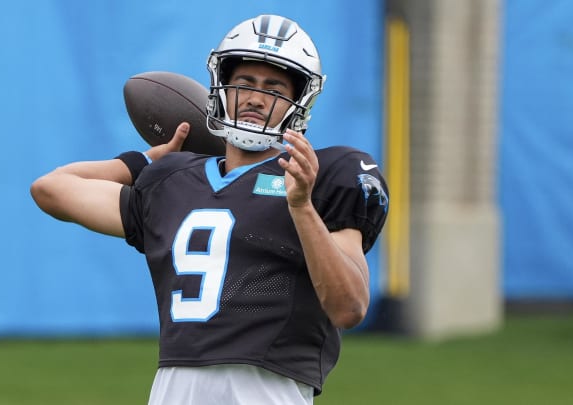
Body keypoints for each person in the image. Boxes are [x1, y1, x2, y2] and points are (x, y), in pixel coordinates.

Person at [31, 14, 388, 405]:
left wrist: (302, 207)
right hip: (174, 389)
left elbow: (348, 307)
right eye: (244, 83)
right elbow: (51, 189)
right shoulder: (172, 181)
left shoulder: (323, 176)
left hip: (264, 389)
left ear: (298, 101)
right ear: (221, 86)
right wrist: (142, 161)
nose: (254, 97)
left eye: (273, 87)